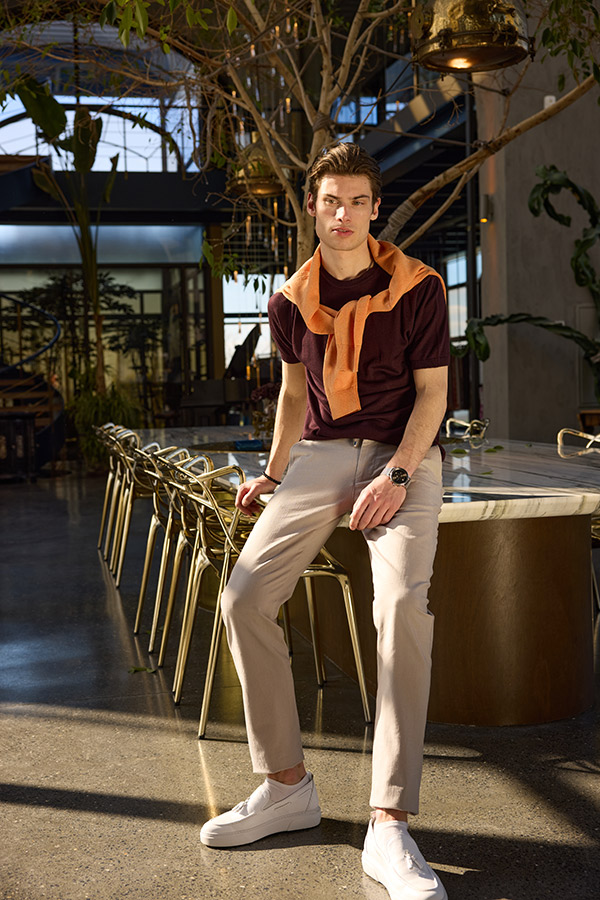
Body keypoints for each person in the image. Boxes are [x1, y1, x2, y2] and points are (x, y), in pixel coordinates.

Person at [200, 143, 450, 900]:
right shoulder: (289, 301)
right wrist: (275, 473)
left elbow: (433, 396)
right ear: (312, 207)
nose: (344, 215)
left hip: (403, 453)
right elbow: (292, 394)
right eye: (331, 201)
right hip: (320, 453)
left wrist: (398, 474)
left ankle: (389, 823)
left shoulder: (419, 287)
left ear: (375, 210)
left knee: (400, 604)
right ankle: (286, 786)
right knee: (243, 598)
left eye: (358, 202)